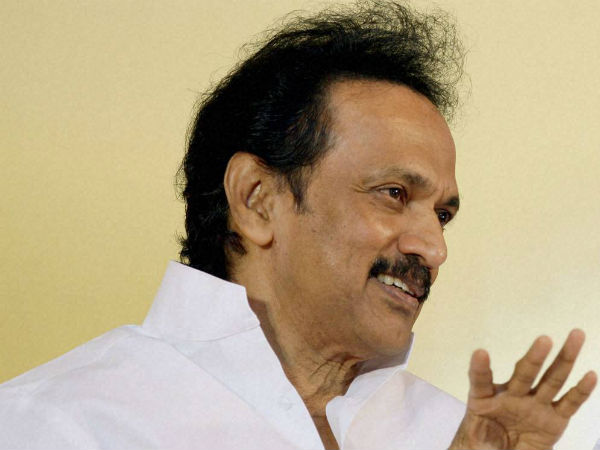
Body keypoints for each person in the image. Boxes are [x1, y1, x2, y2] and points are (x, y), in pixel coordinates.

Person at [0, 1, 596, 449]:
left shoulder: (457, 436)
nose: (434, 249)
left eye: (442, 215)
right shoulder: (58, 423)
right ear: (257, 200)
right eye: (394, 194)